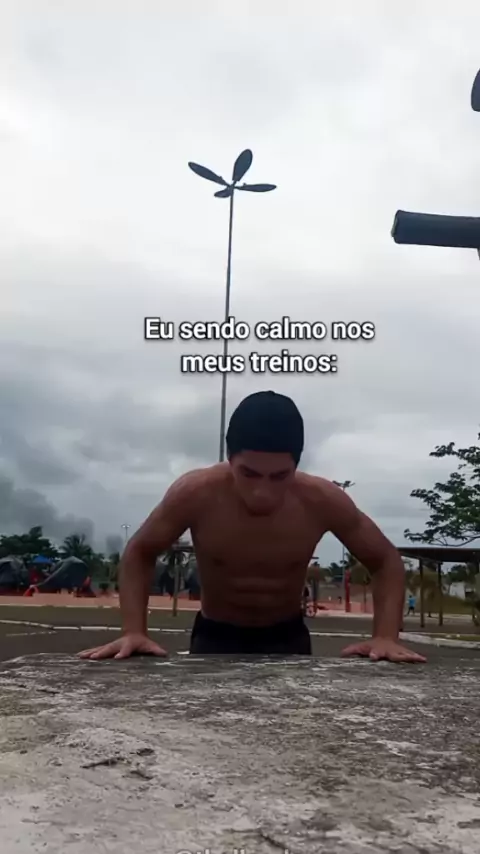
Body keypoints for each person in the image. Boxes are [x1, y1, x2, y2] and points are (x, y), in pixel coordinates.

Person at [79, 391, 426, 663]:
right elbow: (140, 550)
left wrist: (385, 637)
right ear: (230, 458)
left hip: (287, 636)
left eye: (279, 476)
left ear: (296, 465)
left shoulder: (321, 500)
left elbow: (385, 559)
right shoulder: (196, 493)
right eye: (249, 473)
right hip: (215, 636)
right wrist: (134, 631)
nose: (262, 491)